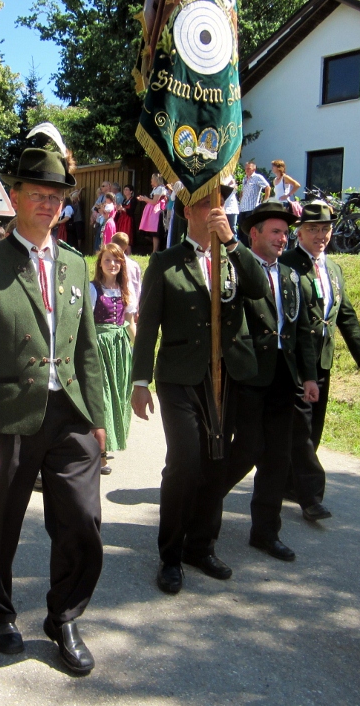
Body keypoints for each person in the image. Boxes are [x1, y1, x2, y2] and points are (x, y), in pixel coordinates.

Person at [0, 127, 105, 674]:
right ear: (14, 197)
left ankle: (64, 616)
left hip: (70, 414)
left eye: (56, 196)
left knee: (83, 520)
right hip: (9, 416)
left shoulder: (76, 263)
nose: (47, 203)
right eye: (37, 193)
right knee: (0, 522)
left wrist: (100, 419)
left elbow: (87, 347)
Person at [131, 192, 271, 595]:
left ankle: (201, 546)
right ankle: (171, 555)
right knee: (185, 463)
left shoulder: (233, 256)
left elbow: (259, 288)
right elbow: (148, 325)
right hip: (180, 377)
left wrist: (232, 243)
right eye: (207, 204)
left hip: (226, 376)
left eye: (221, 204)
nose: (216, 210)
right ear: (188, 210)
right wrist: (140, 382)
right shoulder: (165, 262)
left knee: (217, 462)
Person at [217, 203, 318, 563]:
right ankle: (202, 505)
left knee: (277, 457)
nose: (282, 238)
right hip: (248, 375)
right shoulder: (234, 270)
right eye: (275, 231)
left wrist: (308, 375)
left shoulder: (290, 275)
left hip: (283, 378)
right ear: (254, 234)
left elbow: (302, 328)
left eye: (285, 233)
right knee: (247, 449)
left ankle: (266, 532)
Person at [280, 203, 360, 521]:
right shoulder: (287, 265)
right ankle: (310, 497)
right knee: (302, 428)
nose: (320, 235)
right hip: (294, 361)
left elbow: (345, 313)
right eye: (313, 229)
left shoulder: (333, 268)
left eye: (325, 229)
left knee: (314, 427)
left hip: (322, 359)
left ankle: (290, 483)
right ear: (299, 233)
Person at [90, 243, 136, 474]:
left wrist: (139, 352)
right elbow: (85, 323)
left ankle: (107, 443)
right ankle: (99, 454)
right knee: (103, 398)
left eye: (117, 260)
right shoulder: (93, 289)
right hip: (99, 347)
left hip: (120, 349)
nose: (112, 264)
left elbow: (130, 323)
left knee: (119, 397)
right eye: (108, 260)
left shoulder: (124, 289)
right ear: (100, 263)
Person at [238, 161, 271, 244]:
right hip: (242, 208)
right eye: (246, 168)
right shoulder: (245, 179)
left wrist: (265, 202)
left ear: (254, 169)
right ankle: (242, 247)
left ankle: (249, 247)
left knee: (248, 230)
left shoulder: (257, 177)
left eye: (249, 168)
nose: (246, 170)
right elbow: (243, 191)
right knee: (241, 230)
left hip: (251, 208)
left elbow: (267, 187)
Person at [137, 173, 168, 252]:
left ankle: (155, 250)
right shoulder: (156, 188)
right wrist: (144, 199)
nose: (151, 180)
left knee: (155, 232)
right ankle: (155, 249)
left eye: (152, 178)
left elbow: (154, 201)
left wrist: (145, 199)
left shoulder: (160, 188)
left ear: (156, 179)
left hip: (156, 211)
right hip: (152, 211)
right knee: (151, 231)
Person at [111, 232, 142, 309]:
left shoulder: (111, 264)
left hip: (117, 302)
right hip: (133, 302)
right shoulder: (134, 265)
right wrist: (137, 306)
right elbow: (138, 287)